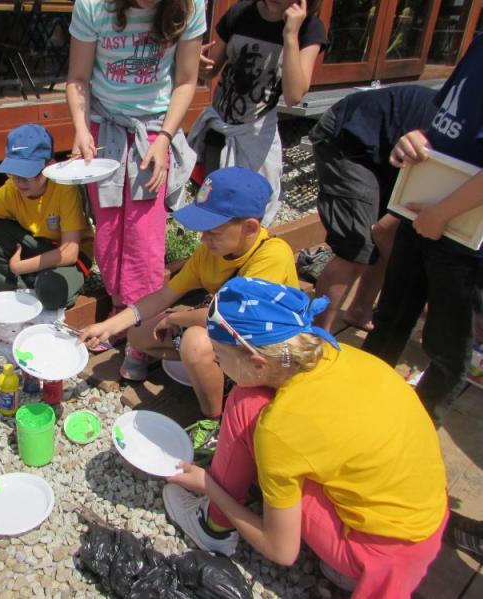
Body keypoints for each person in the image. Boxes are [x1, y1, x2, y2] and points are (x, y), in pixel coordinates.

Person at [164, 277, 448, 598]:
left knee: (245, 404)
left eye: (219, 354)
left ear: (257, 362)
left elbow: (282, 551)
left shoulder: (280, 427)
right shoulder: (343, 355)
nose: (216, 361)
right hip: (424, 521)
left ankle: (212, 527)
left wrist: (208, 485)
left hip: (377, 555)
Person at [79, 167, 298, 417]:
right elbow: (164, 296)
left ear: (249, 228)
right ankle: (216, 373)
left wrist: (173, 319)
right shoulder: (210, 252)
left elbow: (228, 318)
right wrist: (109, 327)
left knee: (195, 342)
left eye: (213, 231)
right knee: (138, 334)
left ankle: (213, 416)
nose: (203, 238)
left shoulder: (272, 255)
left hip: (265, 350)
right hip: (226, 335)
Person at [362, 35, 483, 417]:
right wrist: (415, 139)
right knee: (389, 319)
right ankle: (358, 407)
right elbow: (445, 123)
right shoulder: (478, 44)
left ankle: (417, 429)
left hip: (465, 236)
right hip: (421, 216)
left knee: (446, 349)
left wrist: (442, 213)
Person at [66, 0, 205, 321]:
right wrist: (81, 129)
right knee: (108, 226)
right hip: (105, 126)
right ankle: (119, 309)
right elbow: (78, 78)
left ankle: (142, 319)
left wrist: (166, 138)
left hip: (155, 127)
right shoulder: (92, 5)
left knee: (145, 232)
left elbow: (186, 81)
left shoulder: (190, 6)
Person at [310, 85, 438, 331]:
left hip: (392, 150)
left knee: (386, 238)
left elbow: (387, 231)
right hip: (350, 135)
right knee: (356, 248)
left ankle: (359, 310)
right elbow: (385, 232)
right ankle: (315, 336)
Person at [187, 0, 326, 226]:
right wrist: (198, 61)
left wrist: (290, 36)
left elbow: (294, 95)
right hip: (219, 132)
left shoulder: (309, 28)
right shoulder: (242, 12)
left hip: (255, 138)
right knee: (212, 214)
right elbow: (211, 69)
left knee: (245, 218)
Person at [0, 124, 94, 309]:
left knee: (51, 291)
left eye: (27, 173)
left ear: (49, 165)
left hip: (72, 255)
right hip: (39, 245)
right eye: (13, 172)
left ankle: (36, 284)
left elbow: (69, 253)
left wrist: (19, 267)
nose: (19, 181)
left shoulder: (64, 187)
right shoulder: (11, 189)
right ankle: (15, 293)